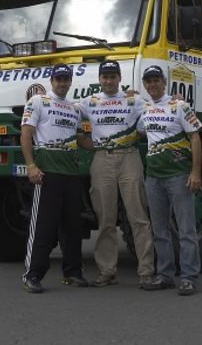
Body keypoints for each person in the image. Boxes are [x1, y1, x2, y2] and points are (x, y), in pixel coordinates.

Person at [78, 60, 159, 290]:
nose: (109, 81)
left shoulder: (134, 100)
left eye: (113, 76)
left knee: (139, 217)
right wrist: (84, 143)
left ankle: (146, 272)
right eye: (105, 76)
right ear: (99, 79)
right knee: (106, 219)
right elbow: (64, 115)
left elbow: (155, 116)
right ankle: (107, 271)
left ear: (120, 79)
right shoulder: (89, 102)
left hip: (129, 157)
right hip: (102, 159)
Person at [20, 63, 88, 293]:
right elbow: (26, 135)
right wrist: (31, 166)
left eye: (66, 79)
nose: (62, 83)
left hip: (70, 173)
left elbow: (80, 138)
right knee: (43, 227)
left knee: (72, 227)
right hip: (47, 172)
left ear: (70, 81)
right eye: (58, 79)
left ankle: (73, 272)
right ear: (52, 81)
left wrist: (107, 144)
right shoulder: (38, 101)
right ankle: (32, 274)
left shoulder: (74, 108)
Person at [138, 65, 202, 295]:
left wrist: (195, 172)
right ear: (145, 85)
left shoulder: (179, 106)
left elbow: (195, 137)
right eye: (149, 81)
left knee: (186, 229)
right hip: (153, 177)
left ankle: (189, 277)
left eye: (156, 80)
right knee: (160, 230)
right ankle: (165, 275)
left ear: (164, 83)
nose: (152, 84)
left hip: (178, 175)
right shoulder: (144, 109)